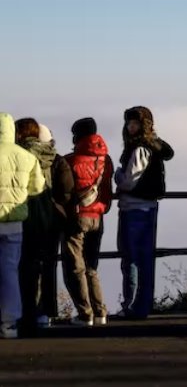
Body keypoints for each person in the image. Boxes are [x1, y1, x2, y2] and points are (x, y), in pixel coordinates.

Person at [115, 106, 174, 320]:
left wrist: (118, 177)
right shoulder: (153, 146)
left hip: (133, 208)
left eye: (135, 123)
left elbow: (130, 180)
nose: (130, 127)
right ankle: (143, 304)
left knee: (131, 258)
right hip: (149, 207)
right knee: (145, 258)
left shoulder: (139, 148)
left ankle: (132, 305)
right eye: (129, 123)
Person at [14, 118, 72, 333]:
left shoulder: (20, 155)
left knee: (24, 266)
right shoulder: (56, 159)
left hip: (25, 216)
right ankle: (45, 313)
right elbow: (67, 188)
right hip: (53, 218)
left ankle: (23, 311)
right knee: (48, 266)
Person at [61, 118, 114, 327]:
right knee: (91, 266)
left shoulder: (71, 160)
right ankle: (100, 312)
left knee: (75, 267)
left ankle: (85, 314)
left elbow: (64, 191)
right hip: (98, 217)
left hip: (77, 217)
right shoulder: (105, 159)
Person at [0, 112, 45, 339]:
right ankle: (9, 323)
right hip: (15, 222)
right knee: (9, 272)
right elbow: (37, 187)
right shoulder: (26, 156)